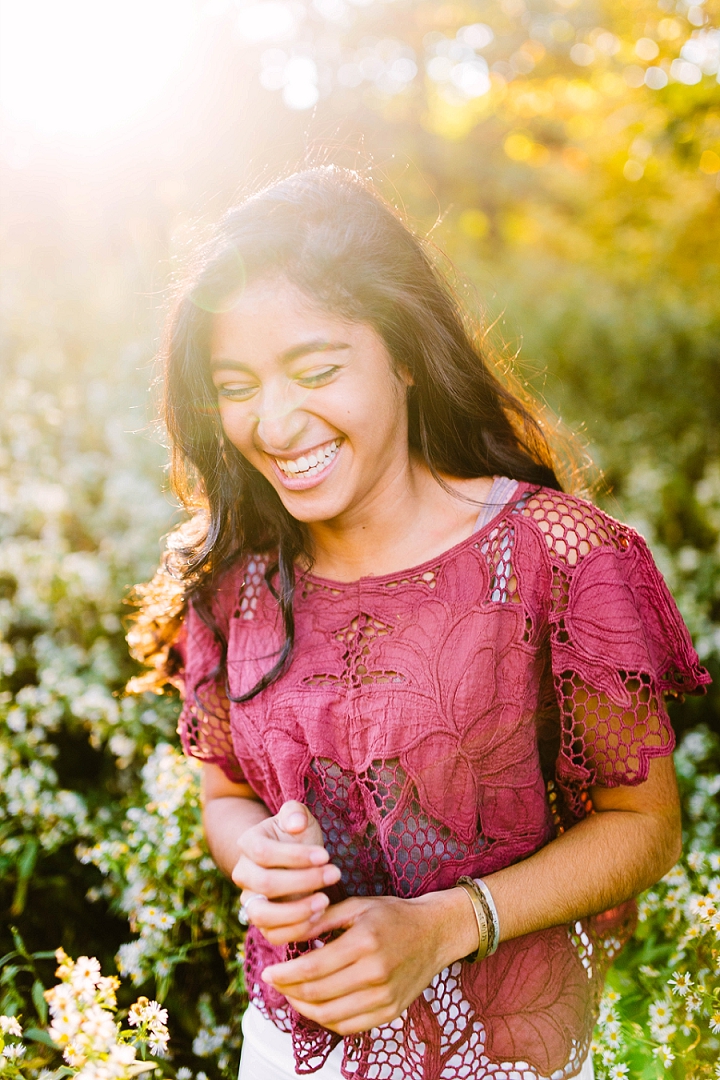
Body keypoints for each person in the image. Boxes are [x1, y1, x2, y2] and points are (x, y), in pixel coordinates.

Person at [128, 166, 710, 1080]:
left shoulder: (555, 557)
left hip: (514, 1052)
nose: (275, 423)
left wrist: (446, 924)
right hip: (292, 1049)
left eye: (317, 370)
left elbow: (646, 825)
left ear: (402, 352)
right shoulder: (233, 581)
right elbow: (225, 793)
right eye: (235, 385)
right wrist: (261, 861)